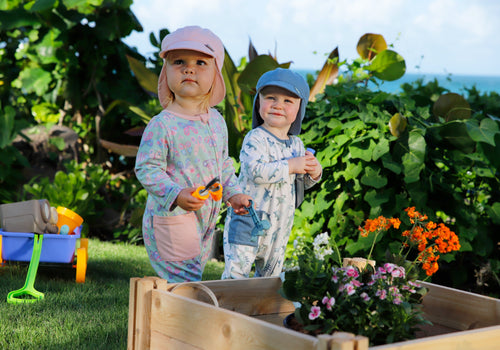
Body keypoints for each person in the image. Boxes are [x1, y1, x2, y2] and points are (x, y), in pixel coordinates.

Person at [135, 25, 251, 282]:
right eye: (179, 62)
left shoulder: (217, 121)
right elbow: (147, 168)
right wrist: (175, 194)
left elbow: (223, 164)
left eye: (201, 62)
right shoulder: (163, 124)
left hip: (204, 221)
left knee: (191, 277)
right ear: (166, 73)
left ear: (216, 76)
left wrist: (234, 194)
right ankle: (177, 320)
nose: (189, 69)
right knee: (185, 283)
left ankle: (170, 316)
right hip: (174, 217)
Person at [222, 68, 322, 279]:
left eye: (288, 101)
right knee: (236, 273)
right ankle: (227, 309)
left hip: (279, 227)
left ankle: (259, 312)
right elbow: (255, 171)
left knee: (269, 279)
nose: (278, 105)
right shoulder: (255, 138)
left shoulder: (296, 144)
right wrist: (291, 165)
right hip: (249, 219)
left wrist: (312, 173)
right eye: (271, 98)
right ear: (259, 102)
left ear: (299, 109)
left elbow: (298, 182)